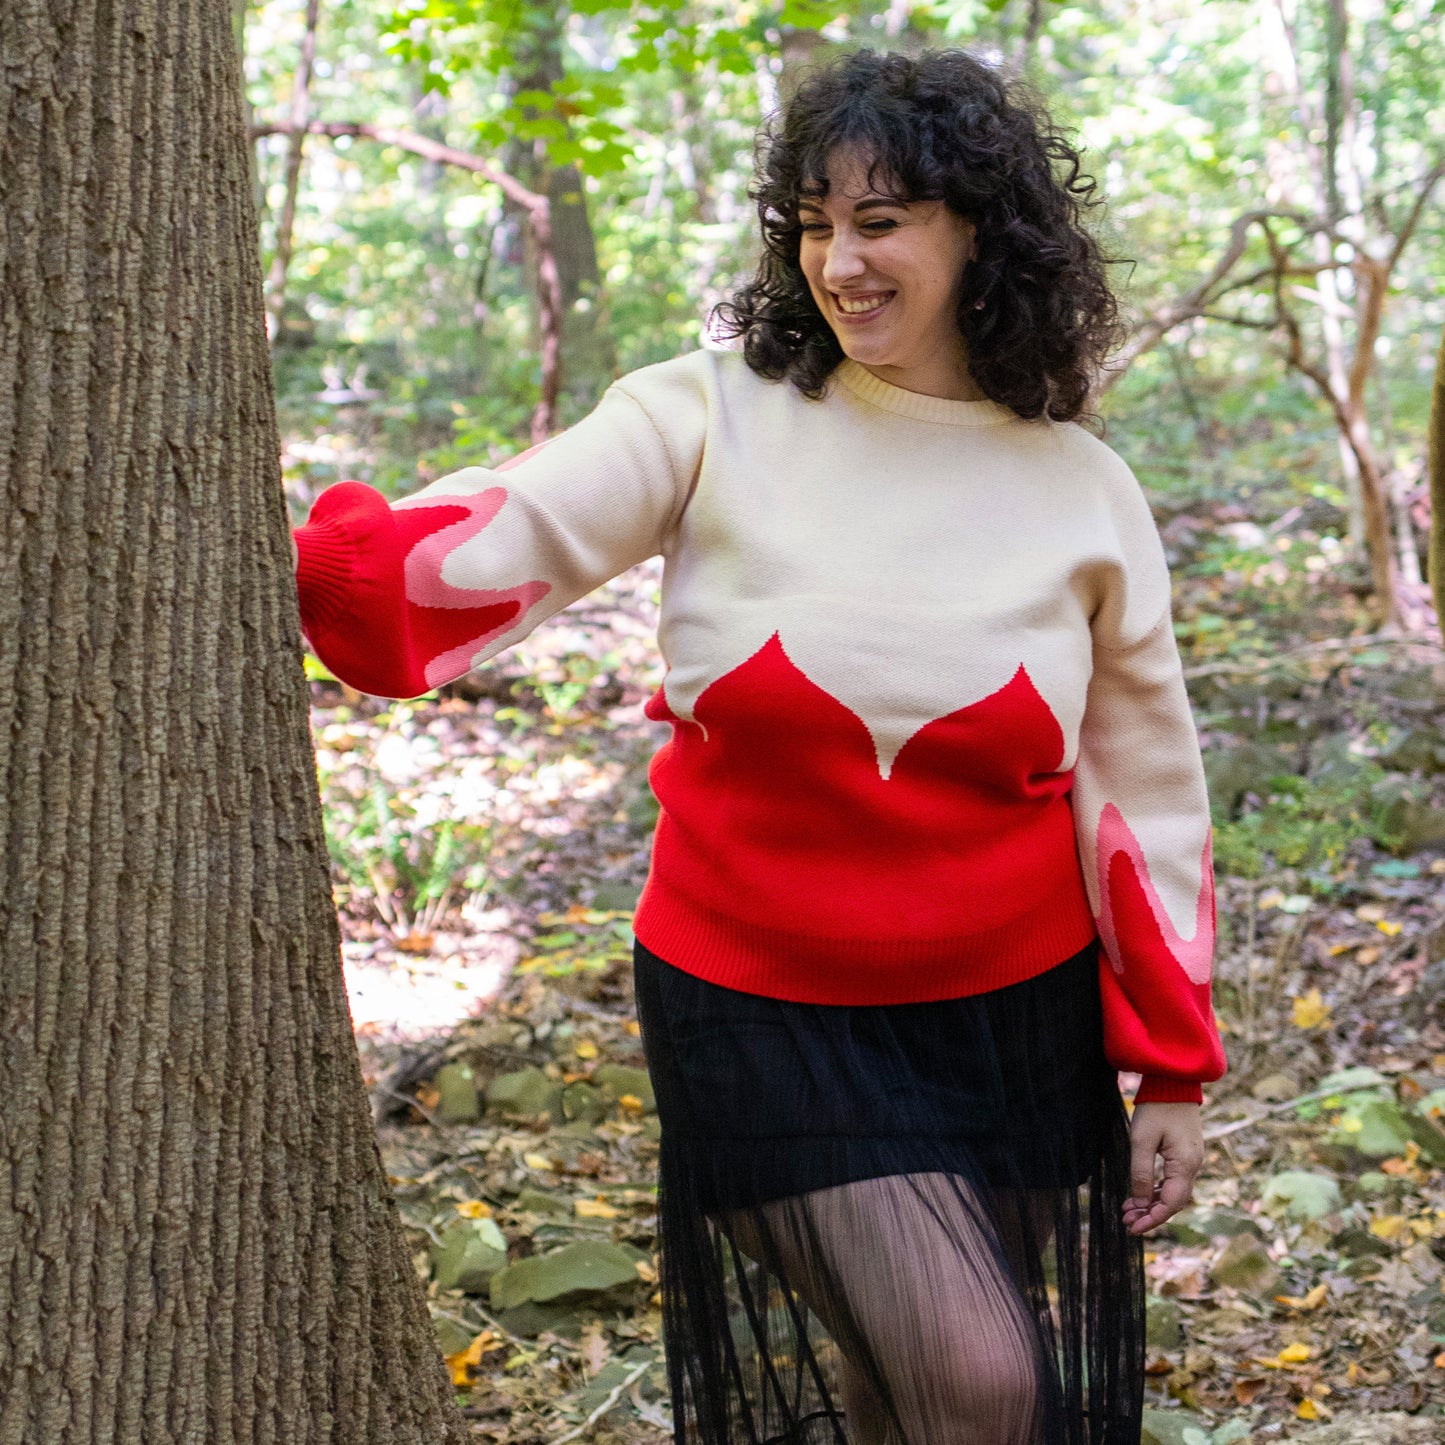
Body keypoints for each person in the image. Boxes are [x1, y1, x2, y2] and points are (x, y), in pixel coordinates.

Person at [292, 47, 1226, 1445]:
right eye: (811, 223)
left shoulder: (1081, 487)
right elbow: (509, 530)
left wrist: (1169, 1065)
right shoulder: (710, 413)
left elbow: (1141, 793)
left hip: (1013, 1020)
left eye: (880, 219)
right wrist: (320, 561)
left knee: (903, 1391)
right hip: (763, 1008)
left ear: (980, 228)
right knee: (977, 1382)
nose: (839, 260)